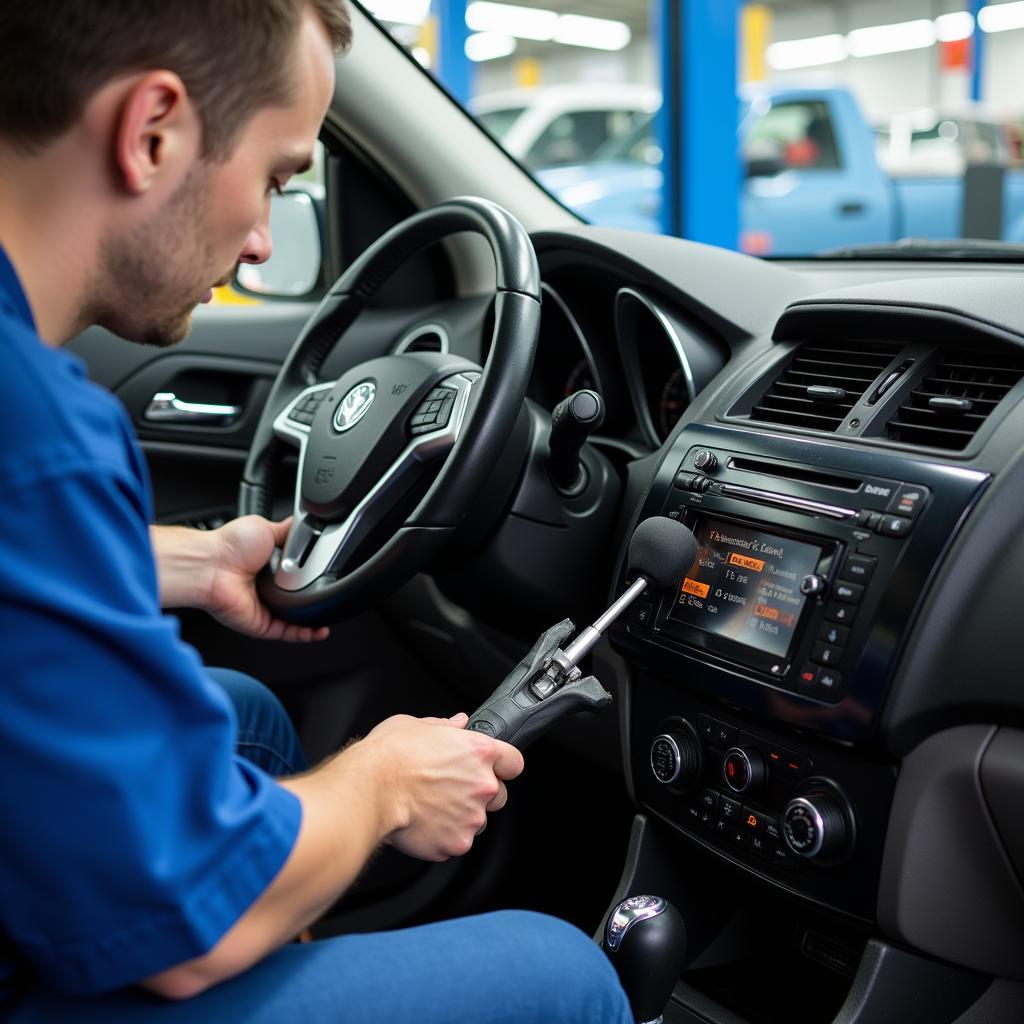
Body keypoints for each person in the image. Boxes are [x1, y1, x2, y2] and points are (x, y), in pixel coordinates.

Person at [0, 2, 633, 1022]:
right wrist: (384, 780)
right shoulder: (35, 423)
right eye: (278, 178)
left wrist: (195, 564)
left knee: (246, 721)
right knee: (562, 973)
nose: (257, 243)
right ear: (152, 129)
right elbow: (187, 920)